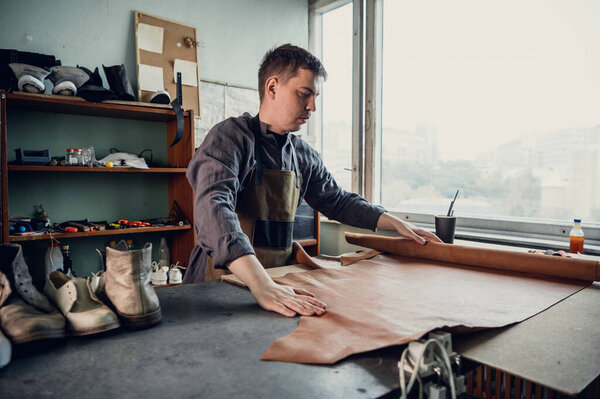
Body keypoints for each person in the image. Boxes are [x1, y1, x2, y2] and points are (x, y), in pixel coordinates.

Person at [184, 44, 441, 317]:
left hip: (278, 284)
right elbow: (214, 208)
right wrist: (260, 283)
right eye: (304, 94)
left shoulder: (302, 154)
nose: (312, 107)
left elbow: (337, 201)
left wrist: (392, 221)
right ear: (272, 88)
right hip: (218, 286)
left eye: (315, 97)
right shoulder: (230, 138)